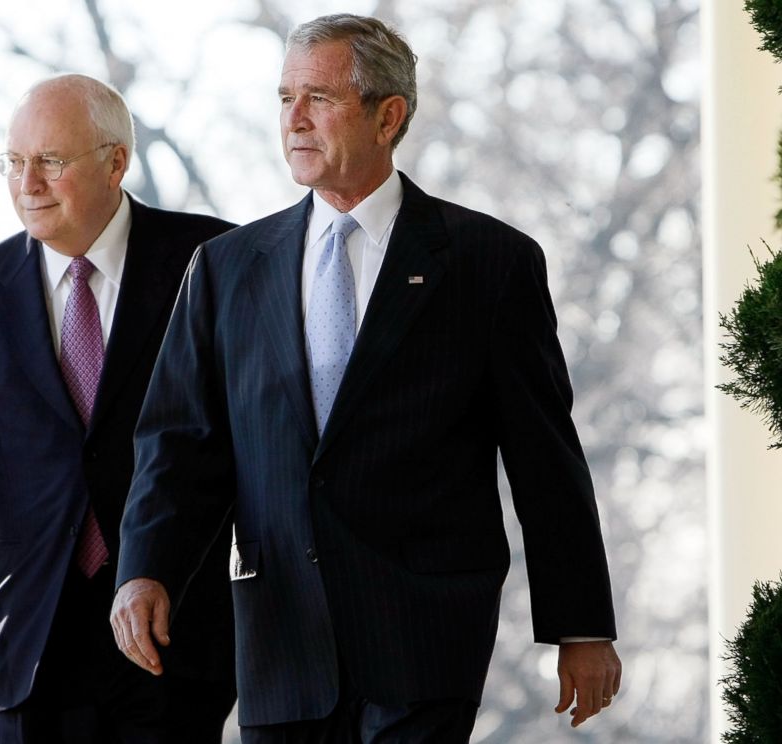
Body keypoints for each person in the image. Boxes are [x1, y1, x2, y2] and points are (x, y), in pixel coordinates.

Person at [110, 13, 622, 744]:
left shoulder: (487, 262)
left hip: (425, 634)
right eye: (284, 98)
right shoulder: (228, 269)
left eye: (318, 98)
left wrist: (581, 626)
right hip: (280, 636)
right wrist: (144, 570)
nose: (294, 119)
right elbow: (178, 444)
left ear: (389, 115)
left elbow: (544, 457)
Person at [0, 73, 236, 744]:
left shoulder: (212, 264)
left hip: (174, 636)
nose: (27, 182)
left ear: (116, 162)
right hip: (33, 650)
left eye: (51, 162)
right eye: (15, 161)